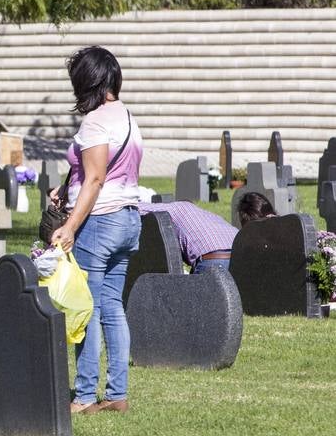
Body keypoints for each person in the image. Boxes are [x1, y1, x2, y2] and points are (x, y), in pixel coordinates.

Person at [49, 47, 142, 415]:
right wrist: (64, 187)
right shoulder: (129, 118)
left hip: (98, 223)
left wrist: (70, 226)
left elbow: (97, 178)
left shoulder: (95, 122)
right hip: (129, 220)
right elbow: (105, 173)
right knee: (113, 308)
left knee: (85, 308)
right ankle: (117, 393)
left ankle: (85, 395)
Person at [137, 200, 237, 273]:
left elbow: (139, 208)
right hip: (240, 258)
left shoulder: (178, 207)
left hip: (213, 261)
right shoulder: (210, 215)